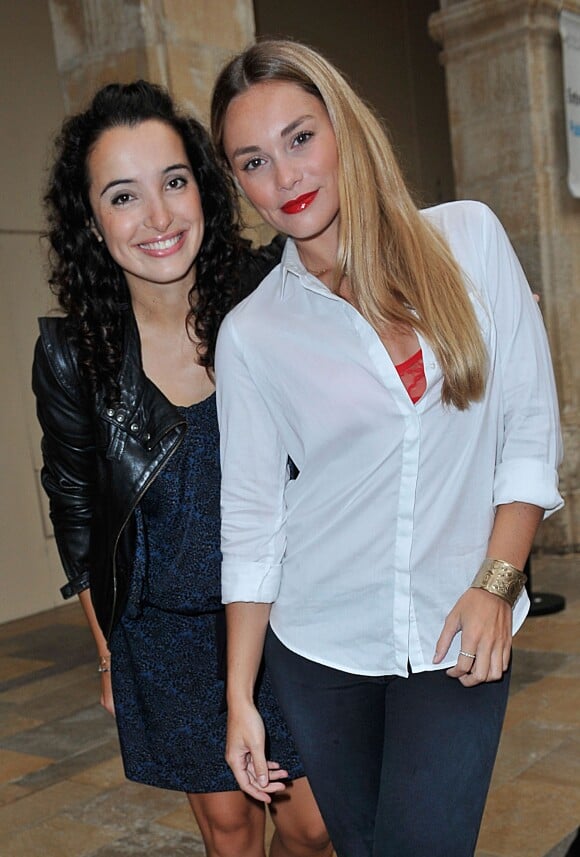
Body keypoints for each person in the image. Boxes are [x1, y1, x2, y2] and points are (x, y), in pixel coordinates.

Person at [210, 39, 563, 857]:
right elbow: (254, 523)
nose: (287, 177)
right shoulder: (253, 333)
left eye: (301, 138)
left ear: (343, 128)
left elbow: (528, 430)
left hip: (461, 628)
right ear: (239, 183)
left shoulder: (467, 242)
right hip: (321, 646)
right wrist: (240, 698)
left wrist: (495, 581)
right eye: (254, 161)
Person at [32, 80, 332, 857]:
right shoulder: (73, 355)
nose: (159, 217)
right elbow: (77, 513)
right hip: (164, 629)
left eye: (173, 182)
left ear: (203, 184)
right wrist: (107, 652)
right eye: (124, 196)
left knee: (313, 822)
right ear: (93, 223)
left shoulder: (272, 294)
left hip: (283, 612)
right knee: (231, 828)